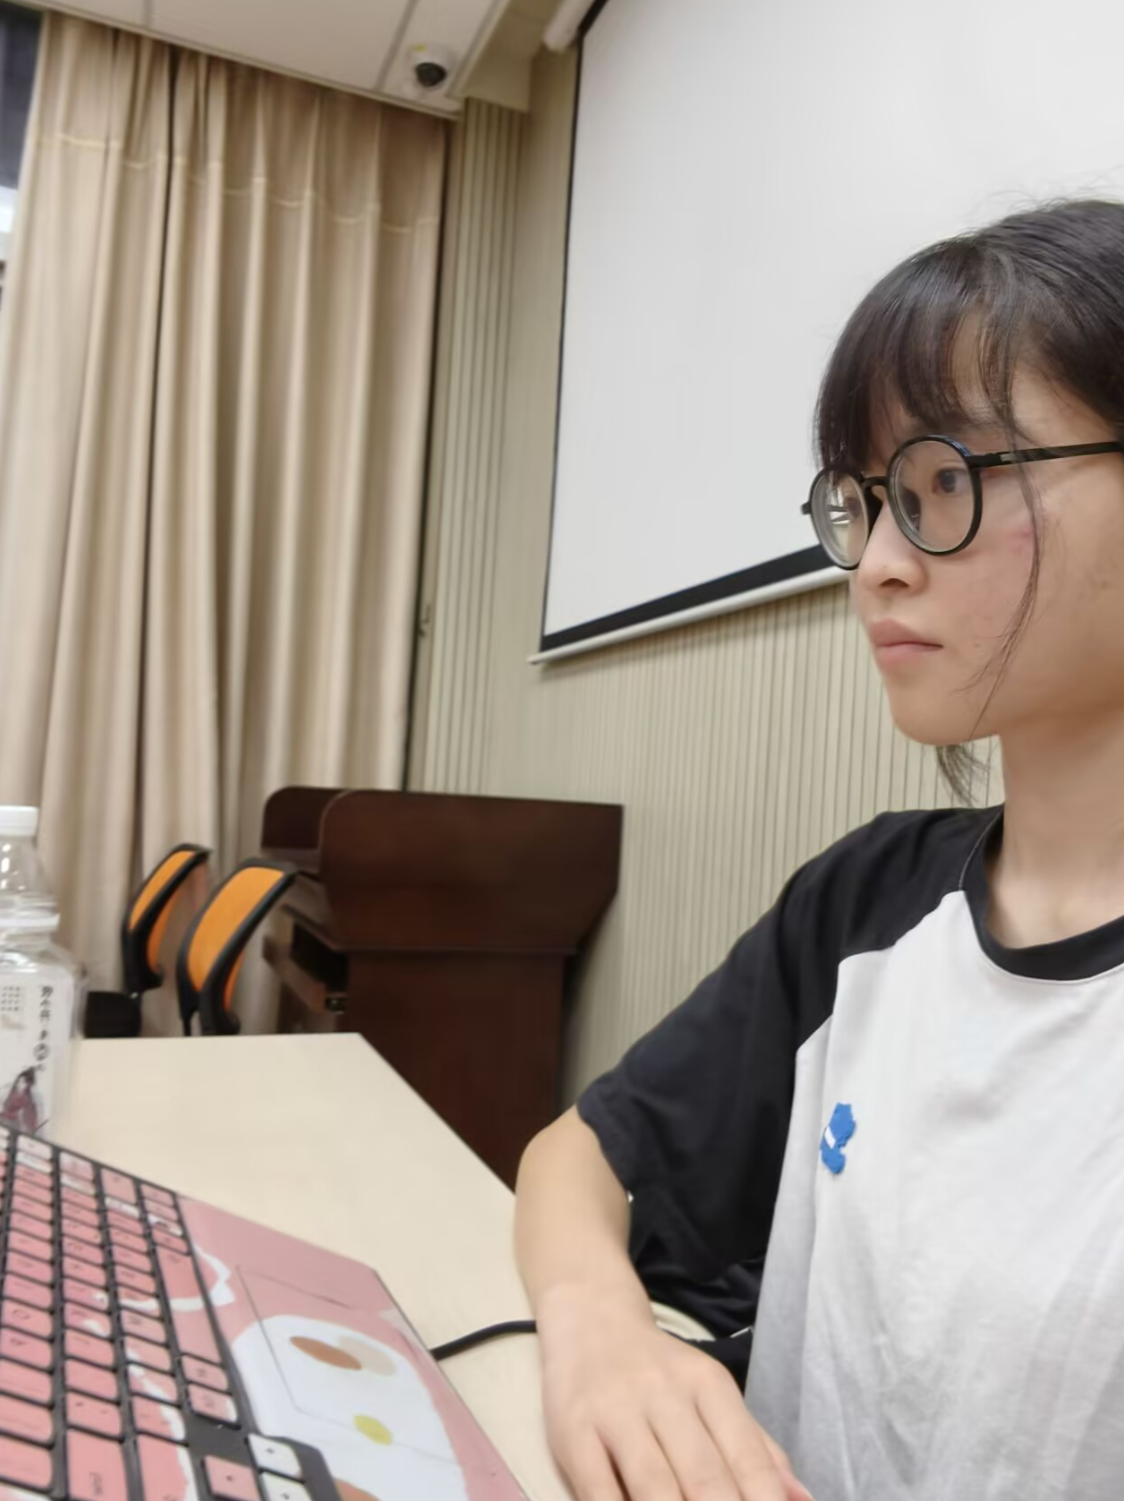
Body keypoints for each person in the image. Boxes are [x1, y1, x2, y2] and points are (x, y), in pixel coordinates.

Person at [514, 198, 1124, 1501]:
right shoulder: (868, 903)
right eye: (866, 501)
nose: (878, 565)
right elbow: (579, 1156)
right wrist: (600, 1335)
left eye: (947, 482)